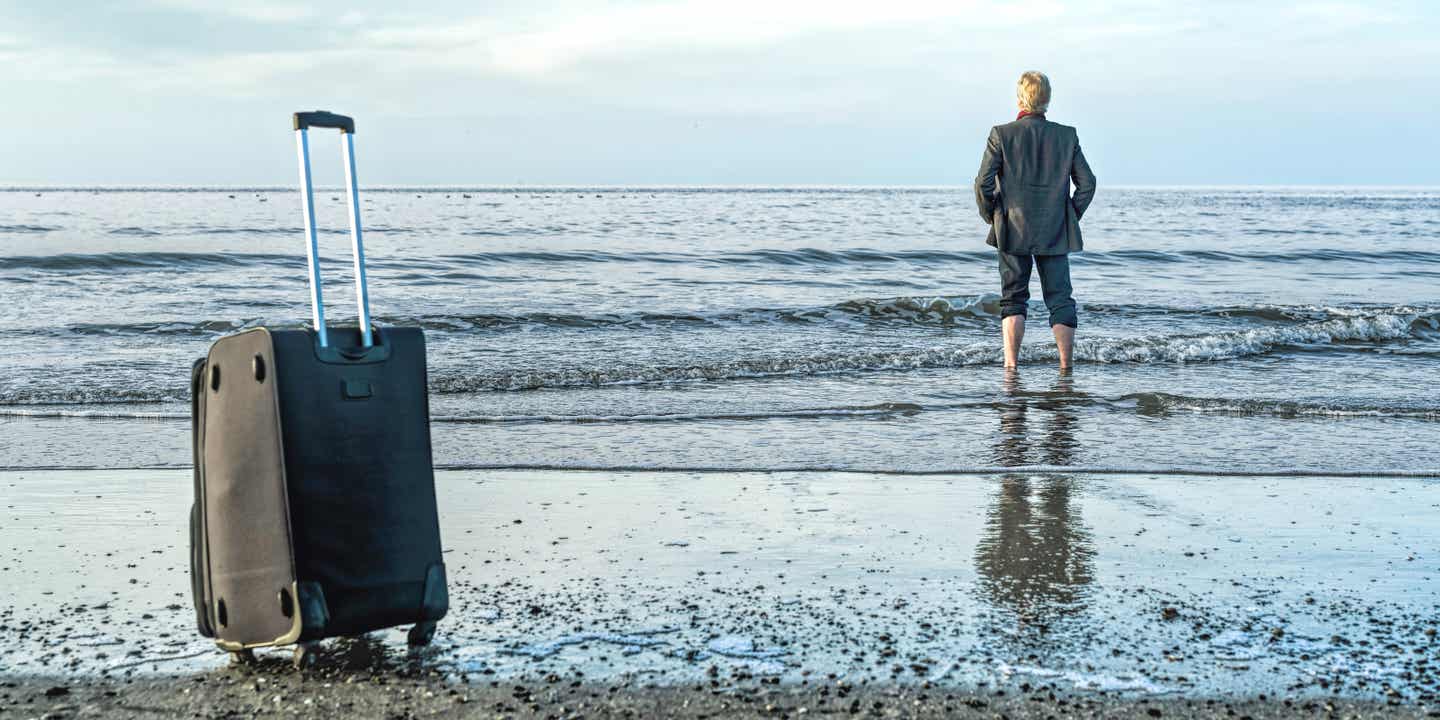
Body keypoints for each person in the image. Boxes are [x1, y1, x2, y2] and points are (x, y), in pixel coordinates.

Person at [974, 71, 1096, 370]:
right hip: (1055, 228)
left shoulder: (1001, 134)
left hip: (1012, 228)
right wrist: (1069, 216)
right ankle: (1066, 366)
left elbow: (982, 185)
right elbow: (1087, 184)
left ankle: (1011, 366)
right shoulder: (1066, 135)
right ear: (1047, 99)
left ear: (1020, 98)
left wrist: (992, 215)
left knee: (1013, 299)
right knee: (1060, 299)